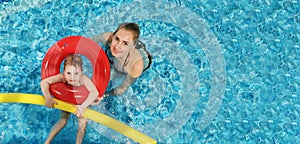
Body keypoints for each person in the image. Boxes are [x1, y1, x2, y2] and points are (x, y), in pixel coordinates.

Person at [40, 54, 100, 144]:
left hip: (81, 103)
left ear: (81, 73)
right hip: (66, 101)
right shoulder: (62, 77)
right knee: (63, 120)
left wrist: (82, 107)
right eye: (68, 73)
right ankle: (47, 142)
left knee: (82, 123)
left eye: (76, 73)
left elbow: (94, 92)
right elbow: (44, 83)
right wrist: (48, 98)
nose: (72, 77)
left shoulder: (83, 79)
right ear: (64, 72)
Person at [92, 22, 152, 97]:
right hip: (116, 59)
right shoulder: (107, 37)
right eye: (117, 39)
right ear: (112, 36)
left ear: (133, 46)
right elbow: (87, 42)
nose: (118, 46)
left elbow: (122, 89)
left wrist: (103, 96)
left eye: (125, 43)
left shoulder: (136, 65)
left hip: (131, 64)